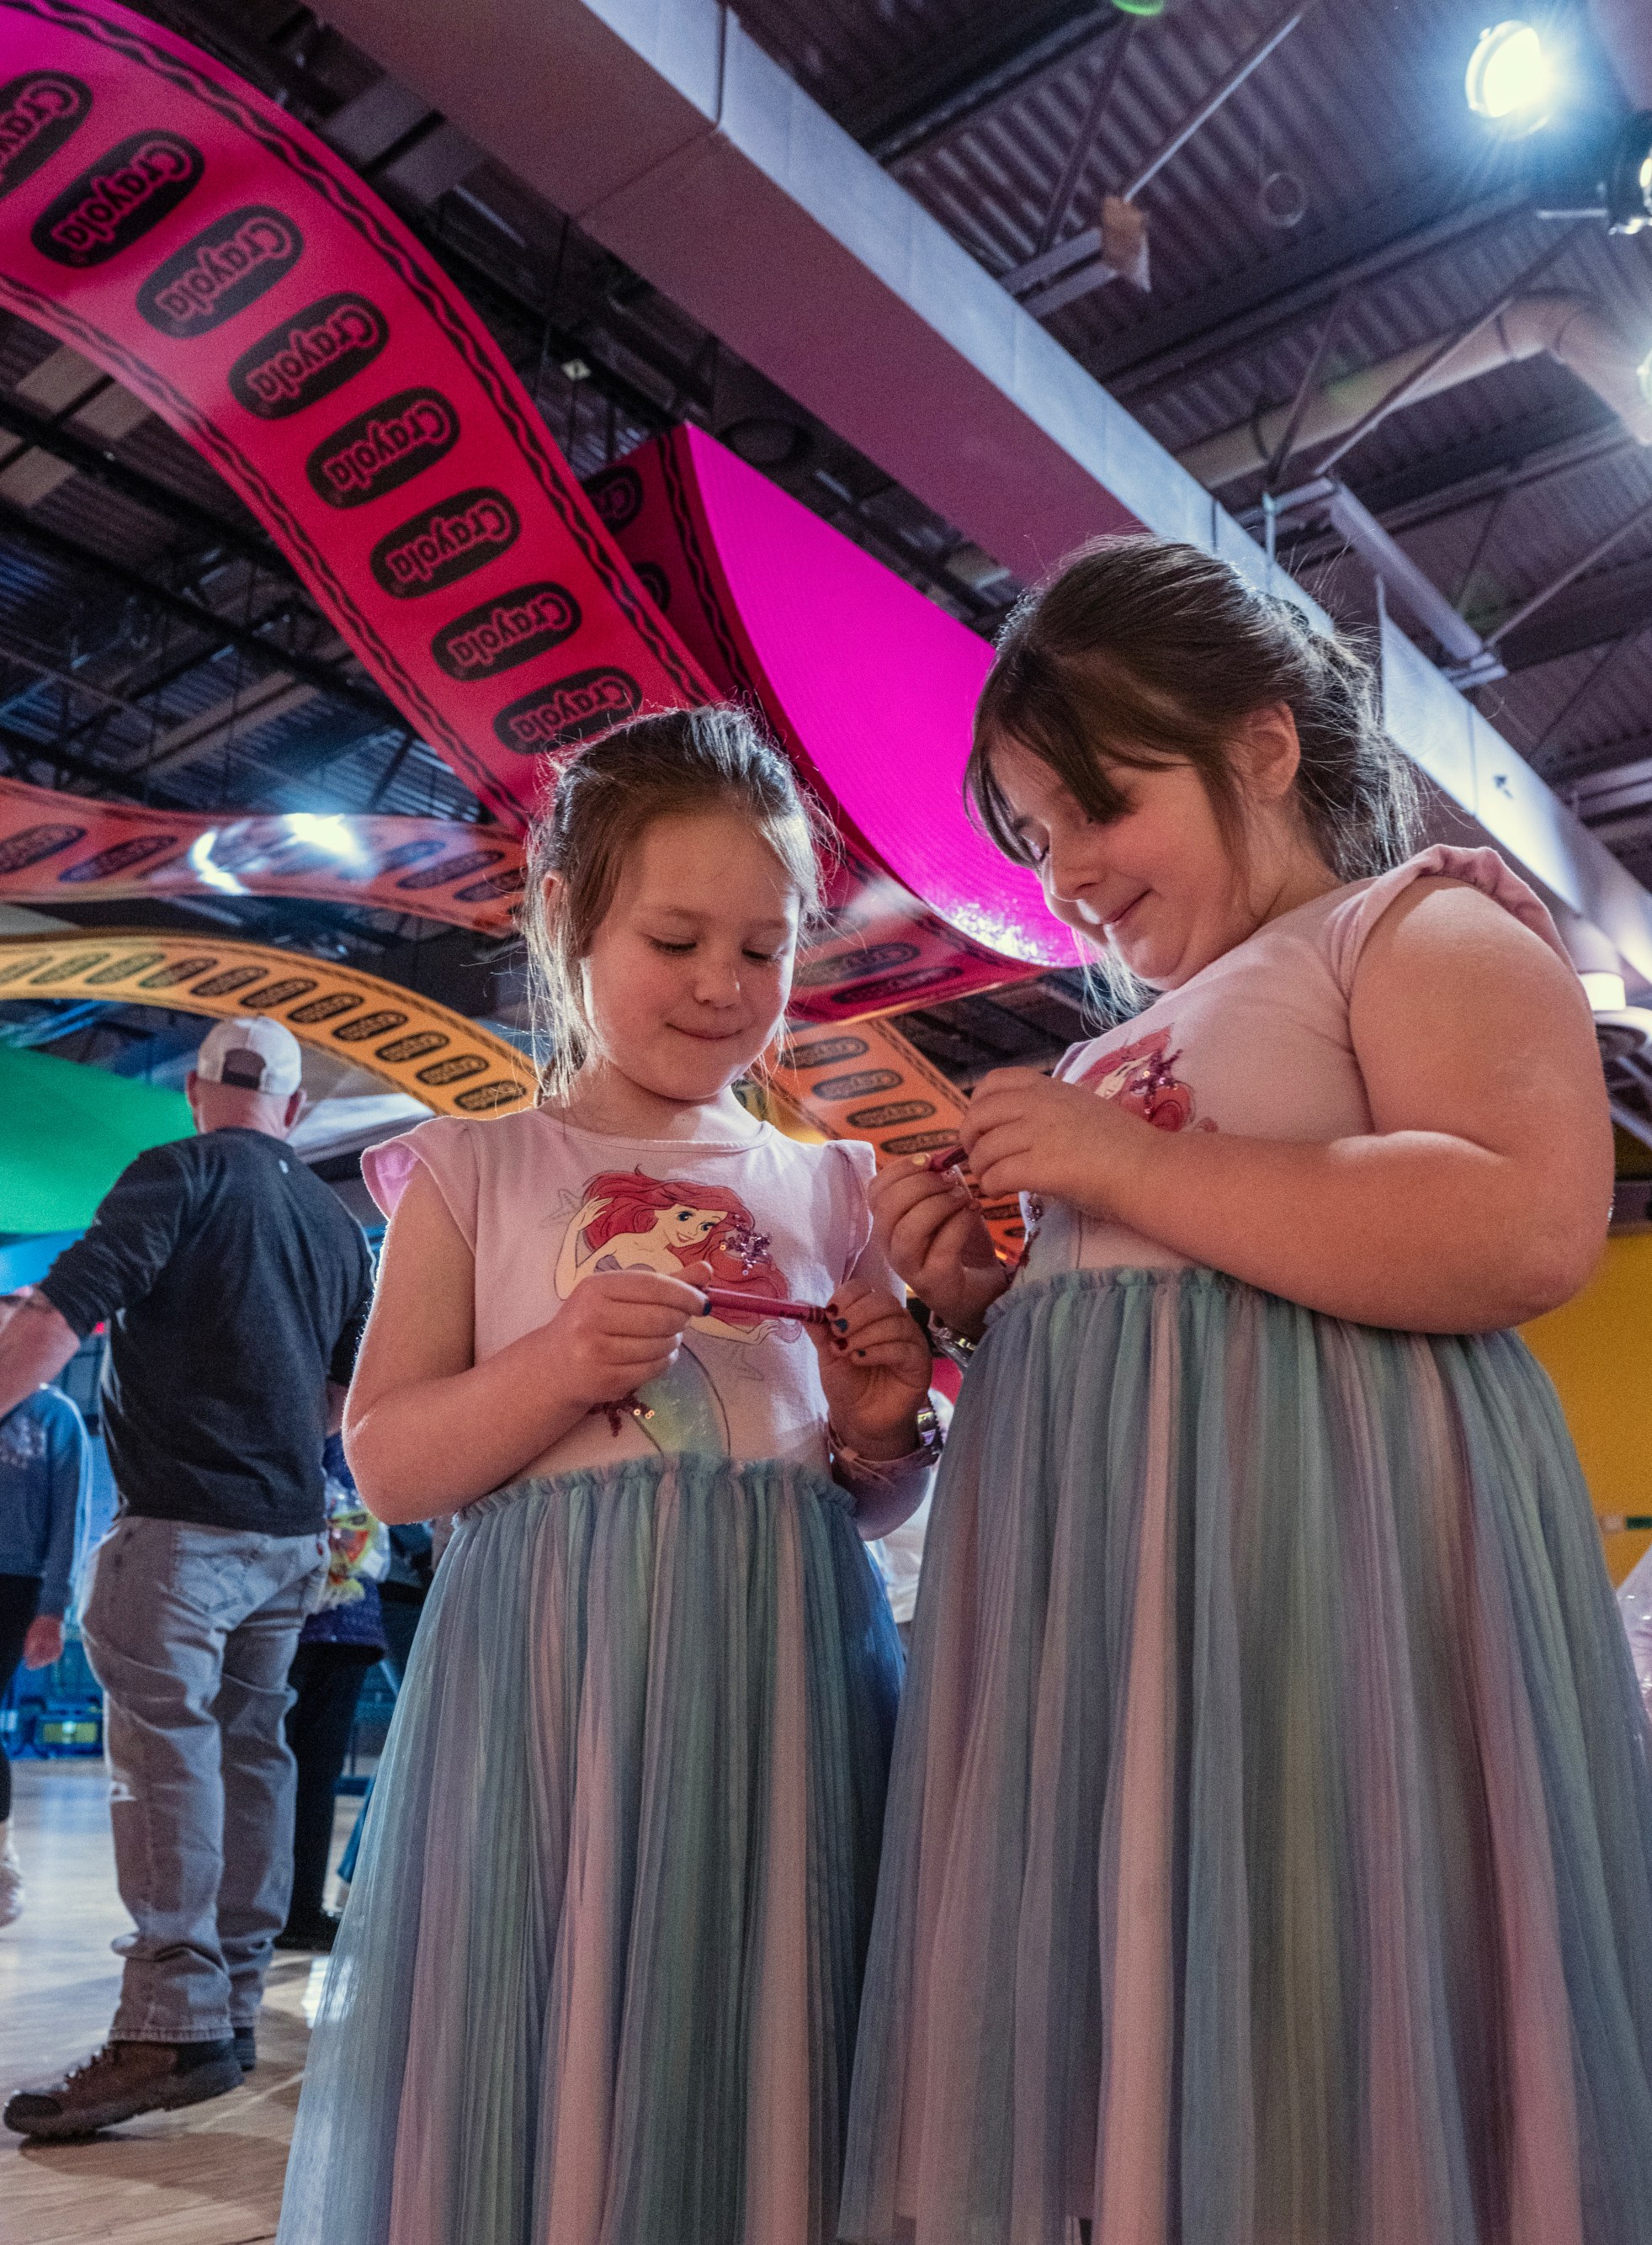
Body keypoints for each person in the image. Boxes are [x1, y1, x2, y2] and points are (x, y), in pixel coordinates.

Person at [842, 537, 1652, 2245]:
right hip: (1127, 1642)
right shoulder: (1109, 1049)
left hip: (1326, 1609)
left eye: (1101, 803)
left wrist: (1115, 1166)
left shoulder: (1409, 925)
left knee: (1332, 1982)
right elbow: (1151, 1321)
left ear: (1262, 743)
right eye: (1034, 835)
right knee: (1149, 1998)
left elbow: (1521, 1222)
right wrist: (984, 1300)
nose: (1068, 871)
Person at [278, 706, 930, 2245]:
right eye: (678, 935)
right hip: (547, 1699)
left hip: (785, 1689)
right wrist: (557, 1366)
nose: (723, 984)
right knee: (549, 2022)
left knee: (769, 2018)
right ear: (566, 914)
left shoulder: (826, 1185)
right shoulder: (470, 1166)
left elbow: (866, 1497)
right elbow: (389, 1457)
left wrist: (880, 1429)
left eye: (764, 949)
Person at [0, 1016, 372, 2141]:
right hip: (290, 1537)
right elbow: (342, 1402)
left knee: (164, 1767)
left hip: (177, 1536)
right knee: (252, 1756)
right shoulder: (332, 1221)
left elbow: (61, 1311)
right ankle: (231, 2009)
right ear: (296, 1112)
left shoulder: (176, 1171)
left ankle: (169, 2025)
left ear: (201, 1092)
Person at [276, 1434, 389, 1954]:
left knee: (313, 1780)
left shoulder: (359, 1438)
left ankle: (299, 1912)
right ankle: (266, 1910)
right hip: (289, 1624)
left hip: (345, 1625)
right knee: (272, 1776)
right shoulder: (299, 1430)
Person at [0, 1327, 90, 1929]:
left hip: (17, 1585)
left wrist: (53, 1610)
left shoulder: (54, 1415)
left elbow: (69, 1520)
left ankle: (2, 1861)